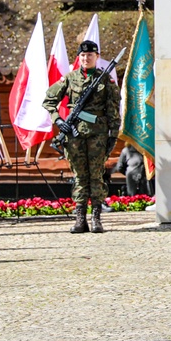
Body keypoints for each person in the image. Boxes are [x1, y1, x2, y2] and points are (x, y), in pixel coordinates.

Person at [43, 40, 120, 234]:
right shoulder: (69, 79)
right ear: (79, 57)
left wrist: (113, 133)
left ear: (96, 57)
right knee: (79, 176)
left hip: (98, 135)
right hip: (74, 136)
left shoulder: (105, 80)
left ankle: (96, 218)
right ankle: (80, 218)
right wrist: (58, 121)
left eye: (90, 55)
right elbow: (49, 100)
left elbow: (113, 109)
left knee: (96, 175)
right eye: (83, 56)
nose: (86, 58)